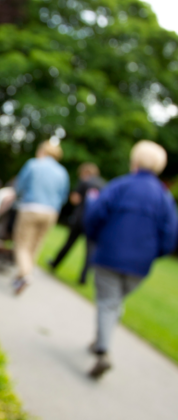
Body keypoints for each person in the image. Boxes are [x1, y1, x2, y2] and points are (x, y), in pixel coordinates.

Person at [84, 140, 178, 378]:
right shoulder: (164, 197)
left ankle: (103, 351)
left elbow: (95, 214)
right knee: (114, 303)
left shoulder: (120, 185)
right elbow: (170, 235)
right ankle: (99, 340)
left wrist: (96, 238)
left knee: (108, 302)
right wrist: (153, 253)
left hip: (109, 255)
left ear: (134, 162)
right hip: (140, 266)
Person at [13, 140, 70, 295]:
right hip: (51, 212)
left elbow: (20, 186)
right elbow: (63, 196)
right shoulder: (62, 172)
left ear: (43, 151)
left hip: (30, 208)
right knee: (35, 245)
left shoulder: (34, 164)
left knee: (22, 244)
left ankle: (25, 274)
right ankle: (22, 276)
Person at [48, 163, 105, 284]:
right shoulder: (103, 185)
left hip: (80, 218)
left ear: (85, 172)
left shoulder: (85, 182)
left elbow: (75, 199)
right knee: (90, 251)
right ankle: (83, 278)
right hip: (93, 221)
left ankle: (54, 264)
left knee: (69, 243)